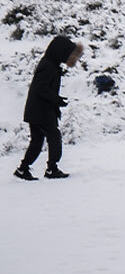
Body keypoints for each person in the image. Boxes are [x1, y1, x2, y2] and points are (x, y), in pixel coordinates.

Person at [14, 36, 84, 181]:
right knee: (54, 136)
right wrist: (57, 100)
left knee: (37, 141)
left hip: (37, 109)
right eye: (68, 53)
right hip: (42, 110)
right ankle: (52, 168)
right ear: (60, 52)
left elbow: (42, 88)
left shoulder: (50, 64)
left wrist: (57, 100)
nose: (70, 56)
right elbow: (42, 89)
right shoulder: (48, 66)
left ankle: (23, 169)